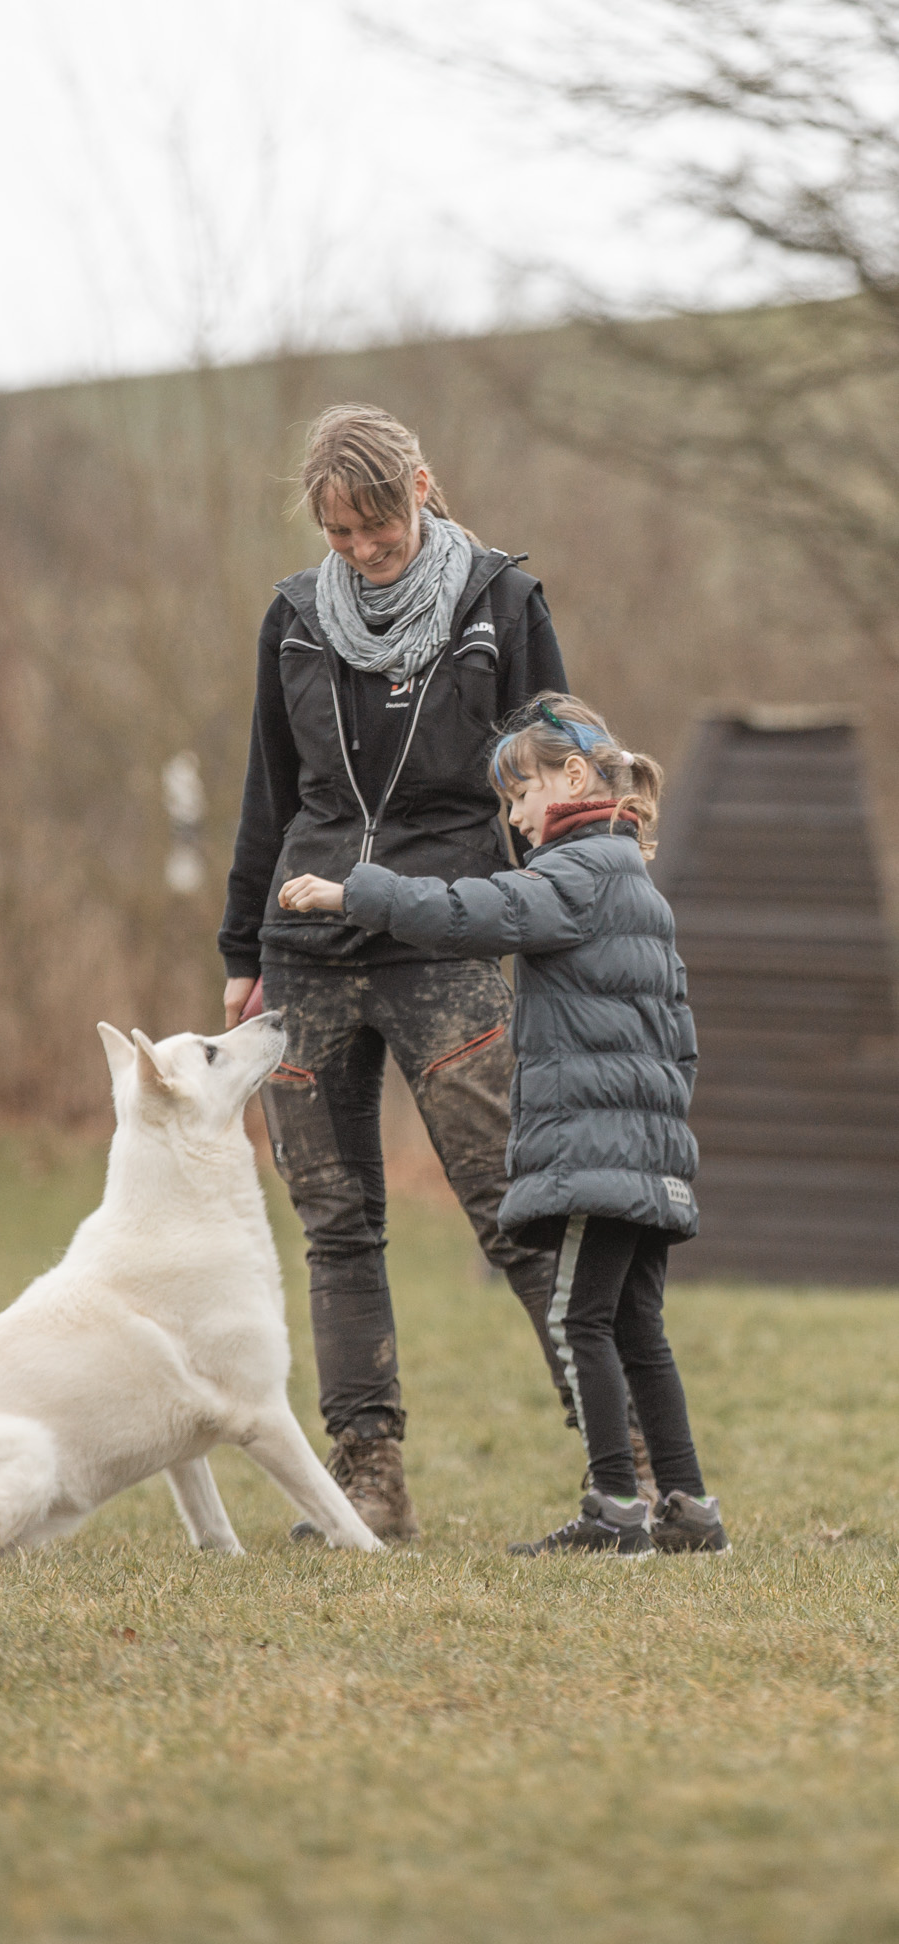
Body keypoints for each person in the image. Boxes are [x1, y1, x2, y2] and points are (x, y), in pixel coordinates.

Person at [219, 403, 572, 1543]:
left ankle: (625, 1460)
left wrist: (571, 914)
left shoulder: (502, 604)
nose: (365, 554)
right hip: (306, 955)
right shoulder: (292, 619)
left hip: (450, 939)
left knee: (518, 1207)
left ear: (424, 487)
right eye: (342, 538)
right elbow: (270, 796)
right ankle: (366, 1480)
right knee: (336, 1224)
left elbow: (554, 776)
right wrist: (239, 954)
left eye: (379, 528)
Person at [279, 692, 730, 1557]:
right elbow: (681, 1038)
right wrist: (662, 1139)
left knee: (580, 1321)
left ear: (570, 778)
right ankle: (687, 1507)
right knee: (637, 1327)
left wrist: (355, 892)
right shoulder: (635, 880)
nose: (514, 819)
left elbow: (469, 913)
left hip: (595, 1154)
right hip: (646, 1151)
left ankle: (614, 1511)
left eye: (518, 795)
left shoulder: (571, 877)